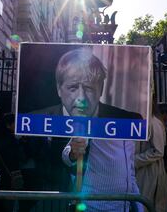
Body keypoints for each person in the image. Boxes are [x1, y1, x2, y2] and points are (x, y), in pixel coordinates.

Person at [49, 48, 143, 212]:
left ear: (100, 89)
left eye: (89, 88)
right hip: (94, 205)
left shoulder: (127, 120)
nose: (81, 97)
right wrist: (73, 152)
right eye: (73, 88)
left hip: (125, 205)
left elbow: (129, 167)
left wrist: (138, 203)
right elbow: (68, 152)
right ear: (59, 89)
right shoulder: (81, 118)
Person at [135, 101, 167, 212]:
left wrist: (135, 160)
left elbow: (158, 151)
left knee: (145, 203)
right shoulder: (142, 120)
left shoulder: (154, 122)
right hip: (141, 169)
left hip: (150, 170)